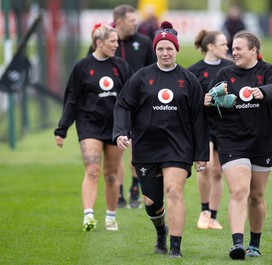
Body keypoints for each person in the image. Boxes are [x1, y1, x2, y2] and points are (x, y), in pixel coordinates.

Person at [113, 21, 209, 258]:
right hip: (147, 146)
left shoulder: (188, 80)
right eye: (160, 49)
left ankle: (175, 247)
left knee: (174, 191)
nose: (165, 53)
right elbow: (123, 104)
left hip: (178, 146)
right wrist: (121, 131)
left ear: (177, 50)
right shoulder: (142, 77)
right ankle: (160, 232)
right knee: (150, 202)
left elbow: (199, 118)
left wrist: (201, 155)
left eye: (169, 49)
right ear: (155, 50)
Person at [204, 31, 272, 260]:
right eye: (233, 48)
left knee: (256, 195)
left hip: (262, 142)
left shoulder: (269, 70)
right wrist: (210, 99)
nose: (234, 52)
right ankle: (237, 243)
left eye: (239, 48)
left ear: (253, 51)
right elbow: (210, 100)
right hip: (232, 141)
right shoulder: (225, 72)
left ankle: (254, 244)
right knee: (239, 191)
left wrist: (263, 92)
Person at [54, 23, 133, 231]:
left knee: (111, 174)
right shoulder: (82, 67)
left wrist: (130, 128)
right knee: (92, 169)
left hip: (116, 129)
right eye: (112, 41)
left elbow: (131, 100)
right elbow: (72, 99)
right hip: (89, 126)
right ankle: (88, 216)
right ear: (99, 42)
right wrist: (62, 128)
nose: (117, 45)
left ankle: (110, 217)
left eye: (117, 41)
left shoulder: (122, 67)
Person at [110, 4, 157, 209]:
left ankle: (135, 188)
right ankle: (119, 192)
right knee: (117, 150)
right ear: (120, 22)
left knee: (134, 151)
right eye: (131, 20)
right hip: (113, 105)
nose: (135, 23)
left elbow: (154, 72)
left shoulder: (144, 42)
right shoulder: (105, 41)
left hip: (140, 105)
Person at [187, 29, 234, 230]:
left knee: (218, 172)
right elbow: (188, 100)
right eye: (223, 44)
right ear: (211, 46)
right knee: (205, 167)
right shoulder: (193, 70)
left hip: (224, 125)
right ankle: (204, 211)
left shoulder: (231, 67)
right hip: (203, 124)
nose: (227, 47)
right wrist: (203, 100)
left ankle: (213, 216)